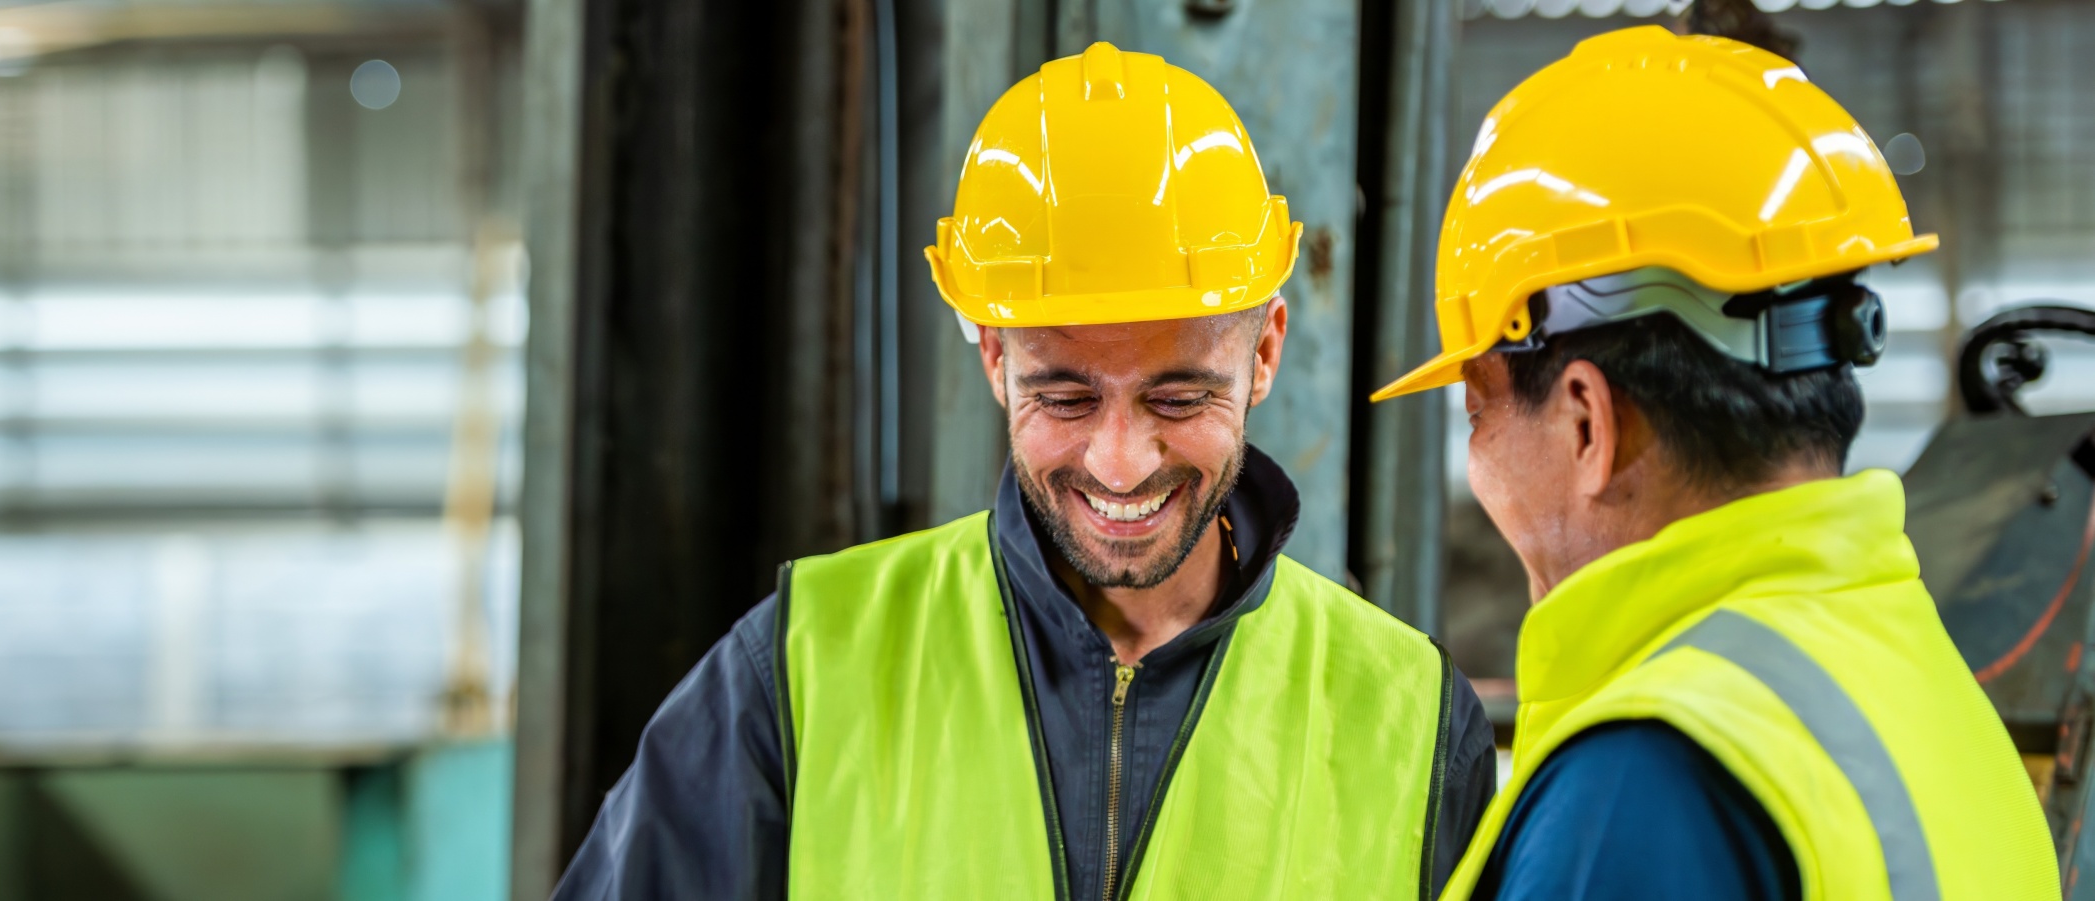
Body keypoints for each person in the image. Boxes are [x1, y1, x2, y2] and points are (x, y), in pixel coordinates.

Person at [554, 41, 1493, 900]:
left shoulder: (1409, 723)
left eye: (1177, 398)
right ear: (996, 360)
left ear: (1265, 353)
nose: (1121, 462)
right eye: (1067, 398)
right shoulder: (799, 675)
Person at [1365, 25, 2060, 900]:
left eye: (1477, 412)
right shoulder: (1933, 699)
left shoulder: (1642, 779)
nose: (1478, 460)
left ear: (1587, 421)